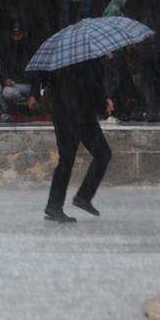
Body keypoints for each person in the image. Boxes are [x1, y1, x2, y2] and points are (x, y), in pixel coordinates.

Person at [44, 60, 112, 223]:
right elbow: (92, 87)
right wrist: (104, 105)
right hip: (81, 115)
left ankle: (54, 205)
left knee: (66, 160)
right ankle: (83, 196)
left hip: (62, 113)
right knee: (103, 154)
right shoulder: (88, 60)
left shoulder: (59, 60)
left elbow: (51, 85)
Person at [0, 19, 39, 118]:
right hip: (15, 85)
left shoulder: (31, 49)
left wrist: (34, 95)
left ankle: (32, 103)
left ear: (24, 34)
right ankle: (25, 106)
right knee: (6, 92)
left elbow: (37, 76)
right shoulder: (7, 49)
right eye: (14, 35)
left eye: (18, 35)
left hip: (29, 86)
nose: (16, 38)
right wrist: (5, 79)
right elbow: (3, 68)